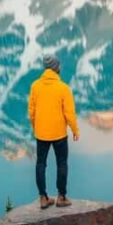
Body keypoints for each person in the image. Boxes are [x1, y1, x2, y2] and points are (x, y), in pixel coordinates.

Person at [27, 55, 79, 209]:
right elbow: (69, 113)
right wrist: (75, 129)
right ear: (57, 68)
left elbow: (31, 111)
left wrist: (36, 126)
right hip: (59, 134)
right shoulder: (63, 88)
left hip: (41, 133)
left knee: (41, 163)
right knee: (62, 163)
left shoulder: (35, 86)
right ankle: (61, 197)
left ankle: (43, 198)